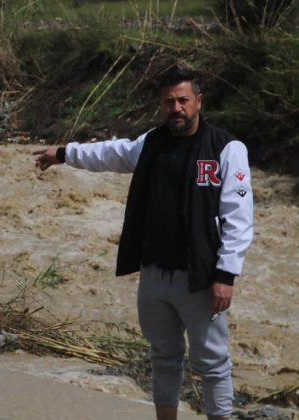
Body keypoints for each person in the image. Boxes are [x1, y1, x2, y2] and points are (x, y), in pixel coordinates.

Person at [33, 67, 253, 420]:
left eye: (183, 100)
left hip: (200, 277)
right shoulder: (152, 142)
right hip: (154, 275)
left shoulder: (226, 148)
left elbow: (239, 217)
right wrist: (63, 153)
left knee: (212, 362)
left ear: (199, 101)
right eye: (169, 102)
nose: (176, 108)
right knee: (163, 357)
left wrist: (226, 274)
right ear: (161, 105)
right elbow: (111, 153)